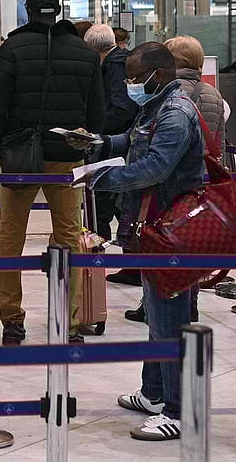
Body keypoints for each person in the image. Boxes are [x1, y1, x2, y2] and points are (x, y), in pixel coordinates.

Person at [74, 43, 205, 442]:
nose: (129, 84)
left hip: (173, 229)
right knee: (157, 313)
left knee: (170, 319)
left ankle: (179, 411)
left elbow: (155, 168)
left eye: (133, 77)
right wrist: (98, 144)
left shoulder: (176, 113)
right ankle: (154, 393)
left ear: (158, 75)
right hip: (154, 225)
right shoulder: (155, 107)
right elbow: (133, 142)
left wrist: (100, 178)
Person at [0, 0, 105, 345]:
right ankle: (67, 322)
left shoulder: (13, 49)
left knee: (10, 237)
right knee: (69, 237)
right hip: (68, 157)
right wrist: (86, 142)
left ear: (28, 9)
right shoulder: (84, 53)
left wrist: (0, 151)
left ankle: (12, 320)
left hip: (21, 158)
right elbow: (97, 111)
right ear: (60, 8)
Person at [122, 35, 226, 325]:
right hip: (197, 194)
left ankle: (165, 310)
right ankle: (186, 306)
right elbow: (219, 141)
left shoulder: (172, 104)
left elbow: (157, 162)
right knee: (185, 265)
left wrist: (108, 177)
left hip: (170, 198)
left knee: (166, 295)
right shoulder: (212, 94)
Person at [83, 24, 140, 286]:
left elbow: (121, 108)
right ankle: (125, 262)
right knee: (118, 206)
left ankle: (99, 263)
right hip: (116, 143)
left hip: (113, 145)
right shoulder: (117, 62)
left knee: (106, 204)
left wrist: (97, 131)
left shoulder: (115, 66)